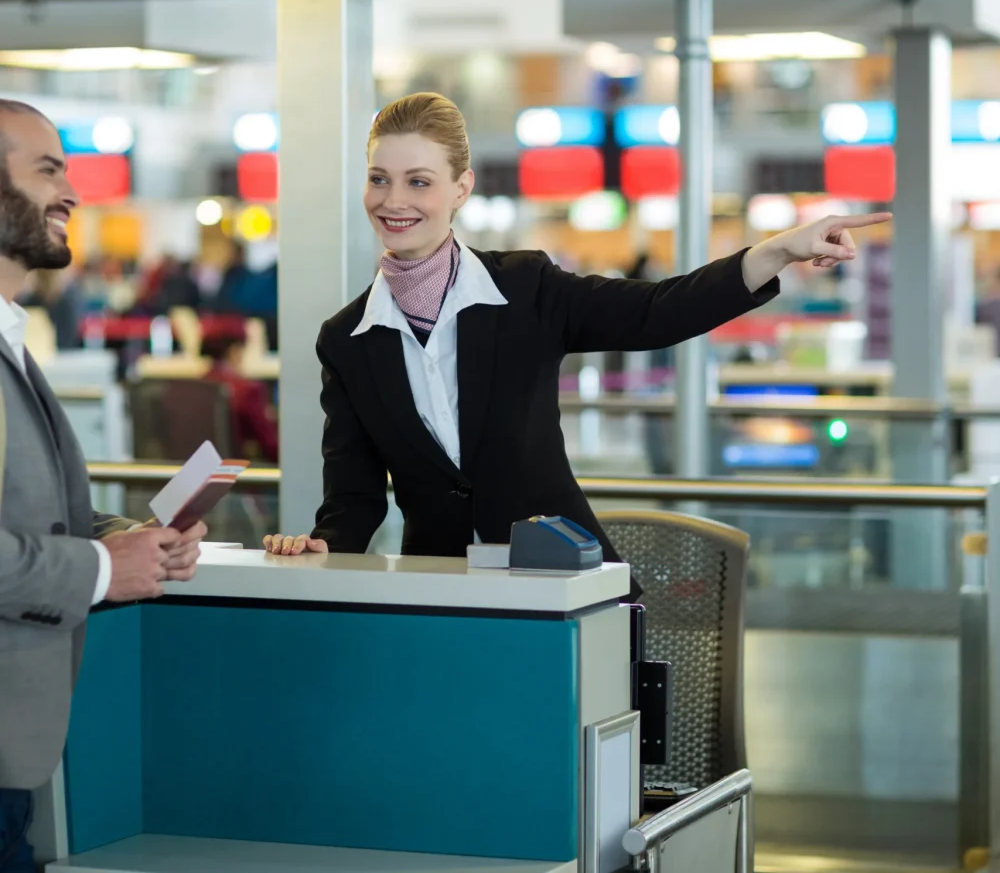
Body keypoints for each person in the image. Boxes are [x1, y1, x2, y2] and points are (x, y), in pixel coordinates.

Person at [263, 92, 890, 594]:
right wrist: (322, 546)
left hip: (564, 587)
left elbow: (657, 312)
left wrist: (777, 251)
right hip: (443, 593)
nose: (394, 201)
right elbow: (353, 499)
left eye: (418, 182)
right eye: (379, 179)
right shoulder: (347, 340)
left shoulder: (526, 288)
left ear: (461, 189)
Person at [0, 100, 206, 873]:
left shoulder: (12, 335)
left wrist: (125, 541)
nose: (71, 193)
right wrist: (98, 570)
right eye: (47, 170)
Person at [202, 332, 279, 464]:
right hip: (240, 471)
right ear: (234, 351)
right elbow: (270, 446)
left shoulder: (198, 387)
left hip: (202, 470)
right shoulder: (247, 390)